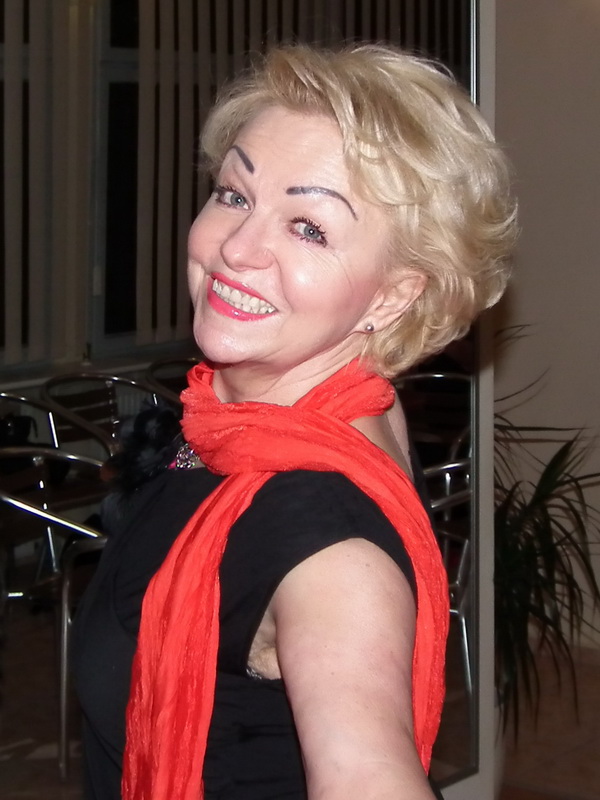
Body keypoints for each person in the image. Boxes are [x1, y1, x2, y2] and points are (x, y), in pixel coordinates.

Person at [73, 43, 517, 800]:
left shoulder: (326, 549)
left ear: (392, 296)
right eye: (234, 194)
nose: (236, 249)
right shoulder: (326, 407)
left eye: (308, 227)